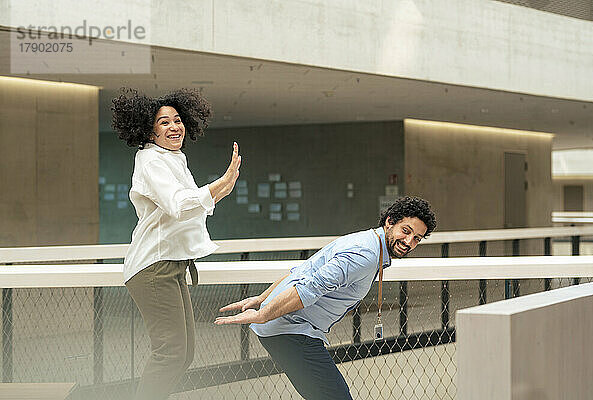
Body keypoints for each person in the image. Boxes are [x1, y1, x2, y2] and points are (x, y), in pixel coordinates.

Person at [215, 196, 436, 400]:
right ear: (390, 222)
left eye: (416, 238)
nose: (408, 241)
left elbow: (304, 270)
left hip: (289, 328)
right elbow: (311, 286)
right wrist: (262, 313)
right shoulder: (365, 255)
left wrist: (262, 298)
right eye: (405, 231)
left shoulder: (366, 240)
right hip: (290, 330)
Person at [112, 87, 241, 400]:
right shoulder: (151, 160)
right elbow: (178, 205)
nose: (175, 126)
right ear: (149, 130)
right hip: (154, 267)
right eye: (164, 122)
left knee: (183, 354)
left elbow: (189, 209)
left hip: (170, 265)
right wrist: (218, 186)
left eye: (178, 120)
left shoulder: (172, 159)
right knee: (171, 353)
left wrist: (221, 190)